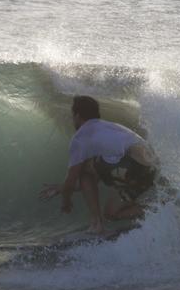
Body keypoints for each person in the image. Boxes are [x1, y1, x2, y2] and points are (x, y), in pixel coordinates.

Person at [39, 95, 159, 234]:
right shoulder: (110, 128)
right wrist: (62, 188)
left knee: (84, 170)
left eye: (73, 116)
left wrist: (66, 202)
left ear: (77, 115)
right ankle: (160, 209)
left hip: (133, 166)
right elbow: (95, 178)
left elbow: (72, 180)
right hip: (150, 169)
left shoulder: (80, 138)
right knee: (111, 213)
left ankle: (97, 223)